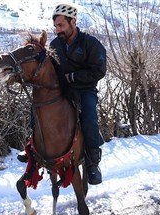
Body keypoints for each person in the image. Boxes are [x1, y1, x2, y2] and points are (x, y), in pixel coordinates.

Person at [17, 3, 106, 185]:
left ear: (72, 21)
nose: (57, 30)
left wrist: (73, 77)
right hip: (62, 89)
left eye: (61, 25)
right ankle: (32, 151)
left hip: (85, 89)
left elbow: (99, 71)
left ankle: (92, 164)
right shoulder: (55, 44)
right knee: (37, 108)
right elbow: (49, 69)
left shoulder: (90, 43)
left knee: (89, 118)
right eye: (56, 26)